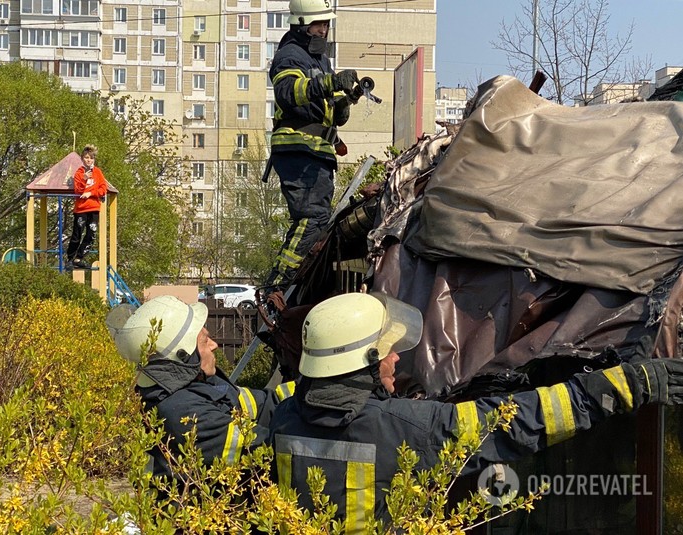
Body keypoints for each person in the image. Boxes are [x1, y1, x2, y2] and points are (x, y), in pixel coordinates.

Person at [269, 292, 683, 532]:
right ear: (364, 363)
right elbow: (519, 420)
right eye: (386, 350)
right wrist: (626, 385)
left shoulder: (283, 416)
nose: (395, 357)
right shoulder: (406, 429)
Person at [106, 295, 295, 488]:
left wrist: (306, 388)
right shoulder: (186, 416)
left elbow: (262, 404)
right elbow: (273, 451)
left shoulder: (189, 388)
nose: (214, 345)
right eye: (205, 341)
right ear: (184, 356)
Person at [263, 0, 361, 295]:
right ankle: (277, 286)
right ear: (301, 23)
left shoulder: (320, 61)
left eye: (327, 24)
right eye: (319, 24)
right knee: (313, 219)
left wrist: (342, 104)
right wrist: (330, 84)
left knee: (318, 222)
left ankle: (295, 289)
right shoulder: (289, 55)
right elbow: (287, 93)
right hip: (298, 150)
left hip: (317, 152)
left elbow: (322, 107)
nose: (324, 30)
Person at [67, 144, 107, 269]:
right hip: (81, 209)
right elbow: (78, 190)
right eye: (86, 157)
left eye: (91, 158)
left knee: (91, 234)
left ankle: (79, 258)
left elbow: (103, 189)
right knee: (77, 234)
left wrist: (91, 193)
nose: (89, 160)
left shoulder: (98, 172)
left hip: (94, 208)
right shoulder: (79, 173)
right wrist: (84, 179)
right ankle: (70, 259)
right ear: (82, 158)